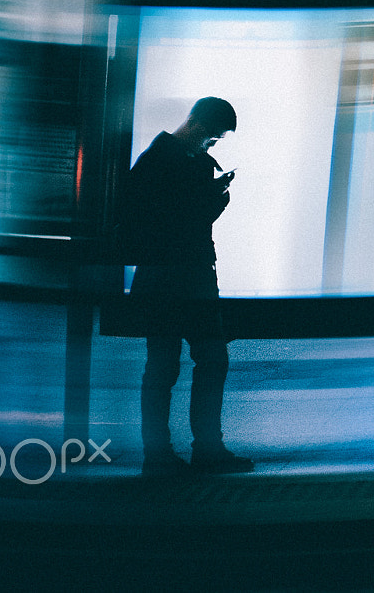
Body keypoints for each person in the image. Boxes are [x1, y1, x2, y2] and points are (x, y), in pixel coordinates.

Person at [126, 96, 253, 475]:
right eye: (213, 137)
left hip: (165, 276)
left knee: (164, 366)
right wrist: (213, 202)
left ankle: (160, 454)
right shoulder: (170, 164)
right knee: (207, 359)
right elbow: (178, 221)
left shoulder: (156, 161)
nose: (213, 144)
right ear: (199, 126)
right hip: (183, 274)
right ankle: (203, 450)